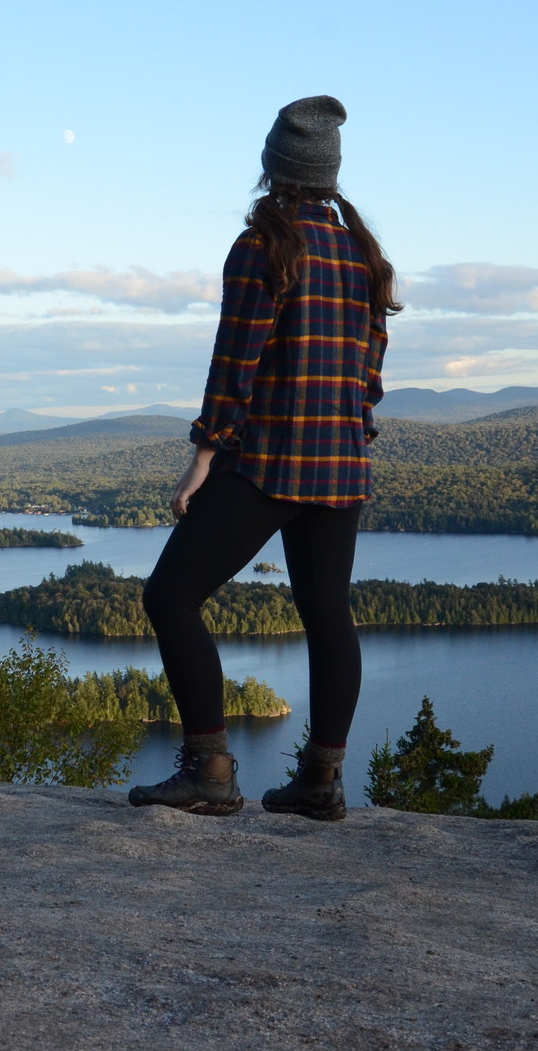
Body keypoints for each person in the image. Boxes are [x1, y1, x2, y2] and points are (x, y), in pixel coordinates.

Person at [127, 95, 399, 820]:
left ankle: (211, 768)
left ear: (273, 168)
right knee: (327, 613)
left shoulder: (263, 248)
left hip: (270, 460)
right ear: (329, 175)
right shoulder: (364, 258)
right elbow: (368, 378)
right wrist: (347, 438)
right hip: (341, 464)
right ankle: (321, 782)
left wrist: (202, 458)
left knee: (170, 596)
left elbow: (233, 365)